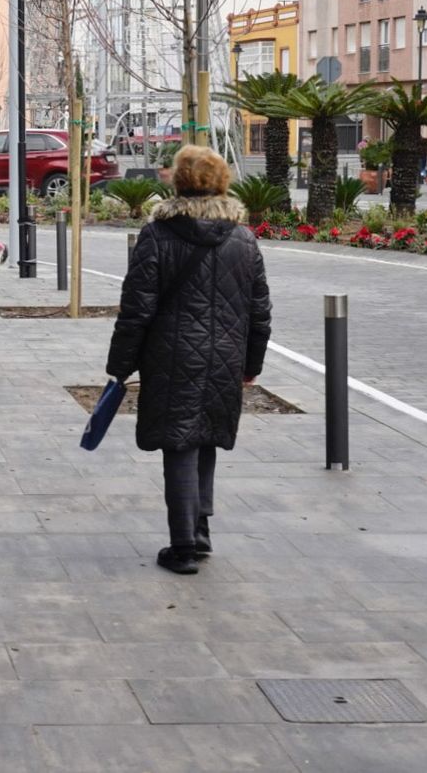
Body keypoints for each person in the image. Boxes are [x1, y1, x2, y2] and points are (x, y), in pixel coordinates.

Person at [105, 146, 272, 576]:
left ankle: (182, 547)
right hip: (224, 357)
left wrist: (120, 365)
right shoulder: (243, 239)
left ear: (178, 182)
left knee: (179, 444)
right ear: (222, 182)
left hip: (171, 356)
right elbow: (259, 311)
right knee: (206, 437)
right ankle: (199, 532)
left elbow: (136, 309)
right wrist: (251, 364)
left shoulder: (158, 235)